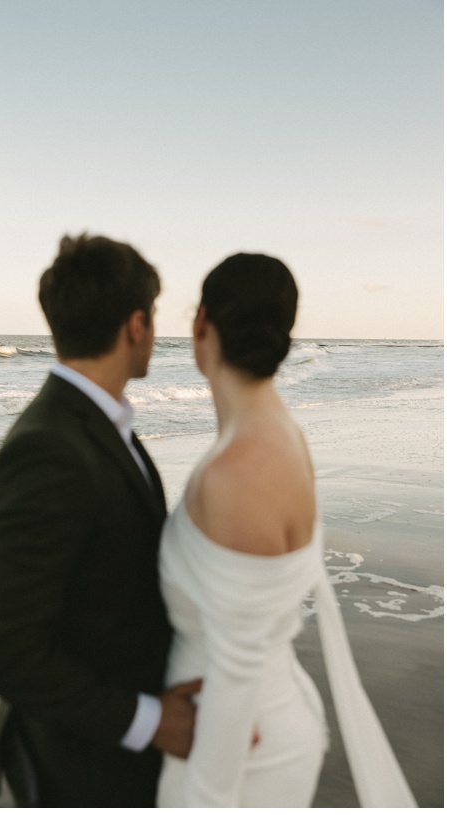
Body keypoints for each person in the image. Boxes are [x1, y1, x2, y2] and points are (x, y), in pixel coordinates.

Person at [156, 253, 414, 807]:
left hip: (239, 758)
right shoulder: (278, 436)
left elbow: (237, 669)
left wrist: (205, 796)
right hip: (256, 730)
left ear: (201, 324)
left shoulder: (241, 471)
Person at [0, 233, 197, 806]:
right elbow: (6, 652)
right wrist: (152, 722)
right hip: (80, 768)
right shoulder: (49, 450)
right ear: (135, 326)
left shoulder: (96, 423)